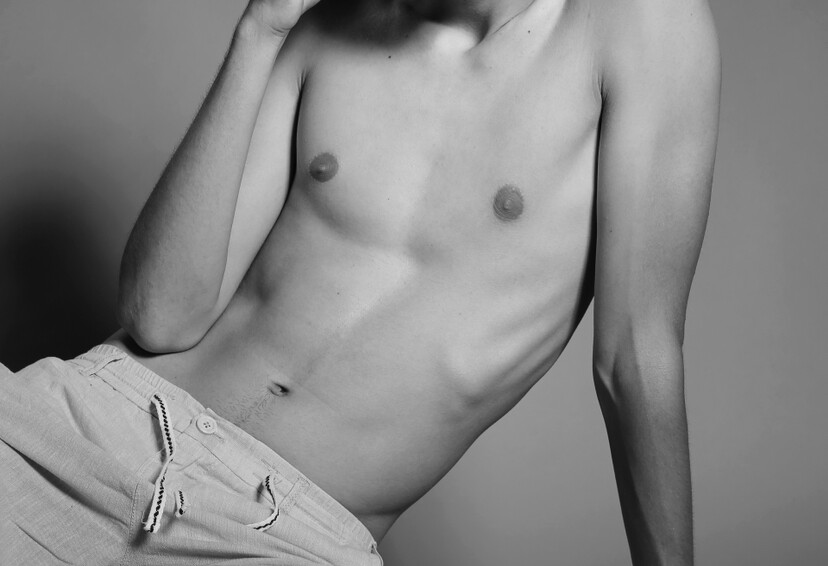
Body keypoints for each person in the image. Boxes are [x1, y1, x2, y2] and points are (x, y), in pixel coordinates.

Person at [0, 0, 720, 564]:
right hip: (91, 425)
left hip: (283, 533)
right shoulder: (328, 26)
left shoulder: (640, 25)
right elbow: (161, 317)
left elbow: (634, 358)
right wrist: (260, 31)